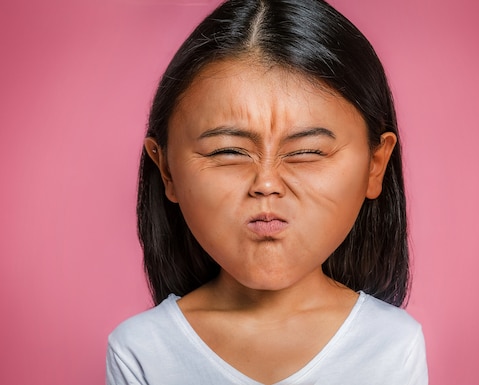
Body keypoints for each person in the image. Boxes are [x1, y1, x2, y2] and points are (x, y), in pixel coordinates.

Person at [106, 0, 428, 383]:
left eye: (307, 152)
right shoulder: (141, 351)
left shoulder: (392, 344)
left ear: (375, 165)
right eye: (227, 151)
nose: (267, 184)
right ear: (167, 170)